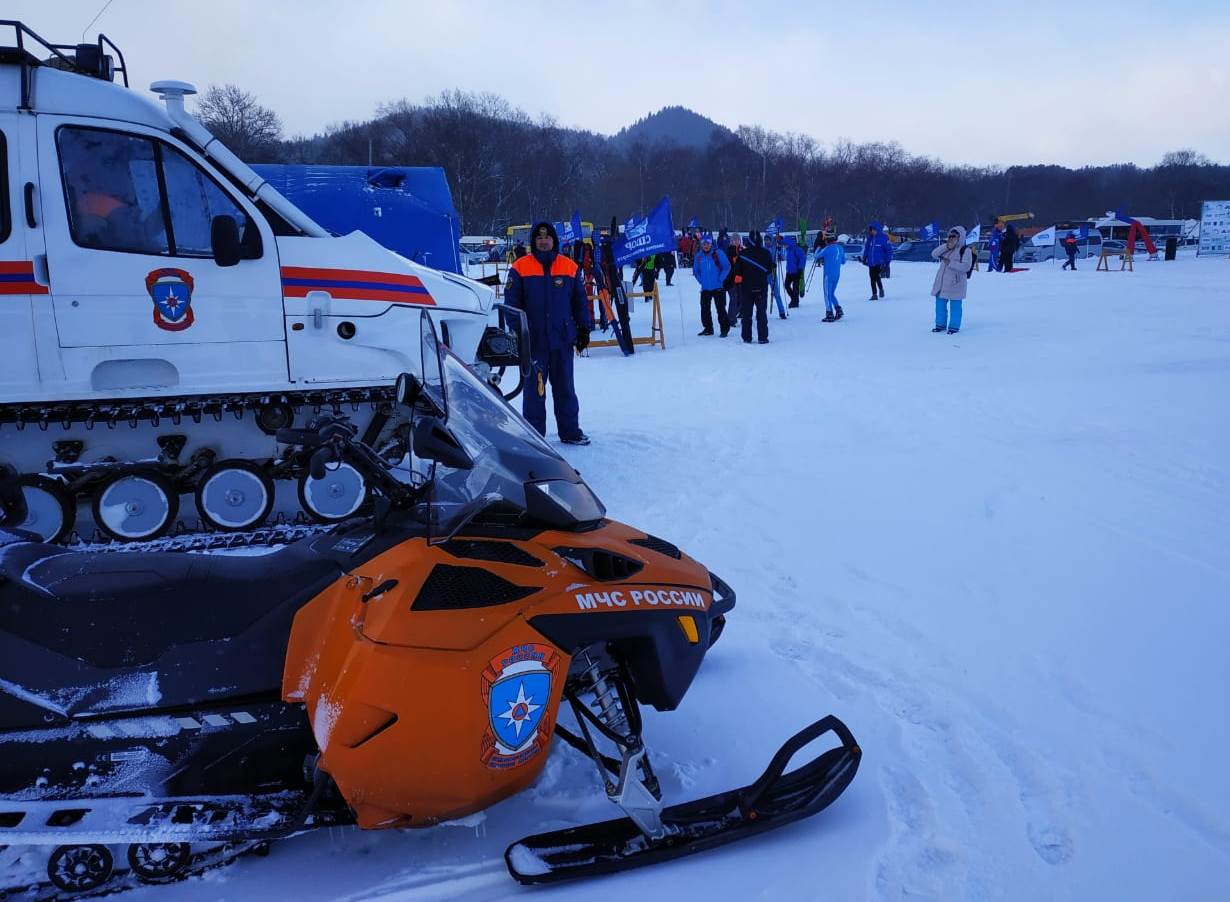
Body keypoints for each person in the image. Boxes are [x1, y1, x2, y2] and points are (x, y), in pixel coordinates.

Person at [503, 222, 593, 444]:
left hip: (561, 340)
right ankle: (534, 437)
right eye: (539, 238)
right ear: (534, 241)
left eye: (548, 238)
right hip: (534, 342)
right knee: (534, 392)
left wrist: (583, 329)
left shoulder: (570, 267)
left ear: (555, 241)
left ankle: (570, 432)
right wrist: (519, 333)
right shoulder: (520, 267)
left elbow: (580, 302)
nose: (543, 241)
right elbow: (511, 306)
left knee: (565, 389)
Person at [930, 226, 973, 335]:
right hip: (942, 283)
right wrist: (946, 246)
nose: (951, 238)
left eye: (954, 236)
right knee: (940, 306)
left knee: (955, 307)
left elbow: (966, 267)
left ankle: (954, 327)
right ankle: (940, 325)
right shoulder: (947, 249)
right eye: (950, 236)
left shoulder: (965, 250)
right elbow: (934, 254)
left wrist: (951, 263)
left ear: (960, 237)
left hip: (956, 284)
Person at [734, 230, 774, 344]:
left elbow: (738, 271)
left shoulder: (743, 253)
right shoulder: (766, 253)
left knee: (747, 314)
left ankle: (747, 337)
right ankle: (763, 337)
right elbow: (769, 270)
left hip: (747, 287)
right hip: (761, 286)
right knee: (761, 313)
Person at [692, 234, 731, 336]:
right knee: (704, 309)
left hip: (718, 287)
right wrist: (701, 281)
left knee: (720, 309)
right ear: (701, 245)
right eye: (704, 244)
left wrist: (720, 279)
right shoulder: (699, 256)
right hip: (705, 288)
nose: (706, 246)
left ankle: (724, 329)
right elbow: (696, 271)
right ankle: (708, 328)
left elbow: (726, 267)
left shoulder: (718, 253)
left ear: (711, 244)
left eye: (708, 244)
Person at [816, 235, 846, 322]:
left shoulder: (827, 248)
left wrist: (818, 247)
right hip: (837, 275)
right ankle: (838, 310)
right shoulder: (840, 248)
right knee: (831, 294)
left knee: (827, 295)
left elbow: (816, 256)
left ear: (827, 241)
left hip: (828, 275)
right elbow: (843, 261)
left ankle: (829, 313)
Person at [863, 221, 893, 299]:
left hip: (880, 262)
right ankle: (876, 293)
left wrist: (887, 262)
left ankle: (876, 293)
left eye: (874, 230)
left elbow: (889, 251)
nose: (872, 231)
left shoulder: (884, 238)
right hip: (871, 262)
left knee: (875, 277)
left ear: (877, 229)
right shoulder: (870, 239)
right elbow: (866, 249)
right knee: (873, 278)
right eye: (871, 230)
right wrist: (864, 258)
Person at [725, 234, 743, 328]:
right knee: (734, 299)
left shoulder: (742, 250)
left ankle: (735, 315)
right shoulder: (729, 251)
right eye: (734, 240)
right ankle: (730, 319)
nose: (736, 242)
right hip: (730, 280)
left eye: (737, 240)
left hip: (740, 280)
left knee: (741, 299)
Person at [784, 236, 807, 308]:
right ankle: (794, 299)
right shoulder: (788, 249)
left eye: (785, 244)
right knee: (787, 285)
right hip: (789, 271)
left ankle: (795, 302)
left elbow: (802, 258)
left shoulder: (797, 249)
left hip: (796, 271)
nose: (784, 246)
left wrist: (800, 268)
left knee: (795, 287)